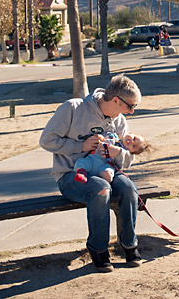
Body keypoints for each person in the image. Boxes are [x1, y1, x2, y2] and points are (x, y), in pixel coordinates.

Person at [39, 74, 143, 272]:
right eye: (130, 106)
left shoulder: (119, 121)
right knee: (101, 189)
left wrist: (119, 152)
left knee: (129, 188)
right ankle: (98, 249)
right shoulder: (73, 108)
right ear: (115, 100)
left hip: (107, 170)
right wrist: (80, 145)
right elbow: (46, 140)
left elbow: (128, 160)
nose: (131, 112)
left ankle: (130, 245)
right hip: (72, 175)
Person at [74, 132, 148, 184]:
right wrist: (100, 138)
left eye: (134, 146)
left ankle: (102, 182)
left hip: (106, 164)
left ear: (131, 151)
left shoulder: (124, 151)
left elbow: (127, 161)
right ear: (130, 133)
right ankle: (82, 174)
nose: (131, 142)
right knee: (82, 162)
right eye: (134, 138)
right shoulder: (113, 136)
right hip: (94, 158)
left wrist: (119, 153)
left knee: (109, 173)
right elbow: (103, 138)